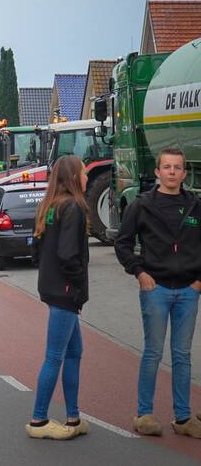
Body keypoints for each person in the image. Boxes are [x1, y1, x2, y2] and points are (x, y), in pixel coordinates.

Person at [115, 147, 201, 438]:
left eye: (178, 167)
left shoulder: (195, 205)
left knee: (183, 355)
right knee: (152, 353)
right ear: (157, 172)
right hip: (156, 289)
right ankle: (144, 414)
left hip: (189, 291)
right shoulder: (142, 205)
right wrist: (140, 273)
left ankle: (183, 418)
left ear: (184, 173)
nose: (173, 172)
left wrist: (198, 282)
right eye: (167, 167)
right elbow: (123, 243)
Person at [25, 155, 90, 440]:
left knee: (74, 352)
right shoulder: (74, 208)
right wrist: (77, 287)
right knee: (54, 356)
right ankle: (39, 420)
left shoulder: (48, 206)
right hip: (65, 291)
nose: (87, 178)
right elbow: (68, 254)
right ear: (74, 177)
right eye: (84, 173)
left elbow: (36, 251)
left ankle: (73, 417)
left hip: (51, 287)